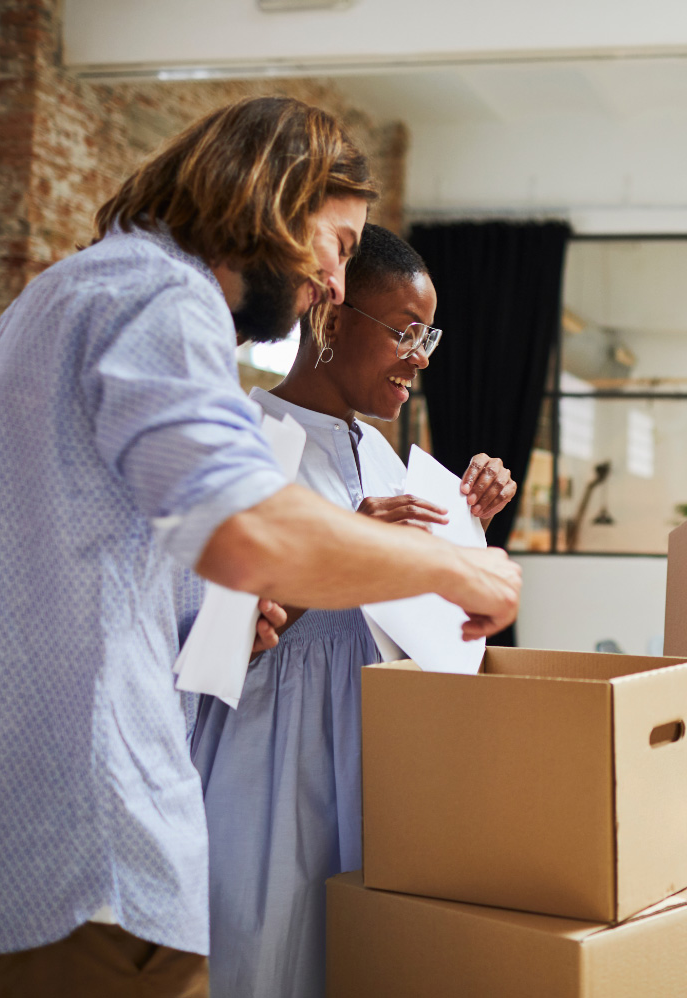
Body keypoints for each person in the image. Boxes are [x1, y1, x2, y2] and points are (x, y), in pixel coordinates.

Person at [0, 97, 520, 997]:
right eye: (336, 245)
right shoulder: (162, 298)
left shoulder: (65, 294)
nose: (333, 284)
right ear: (274, 203)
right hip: (85, 849)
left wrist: (213, 614)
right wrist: (458, 565)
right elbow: (249, 528)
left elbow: (83, 555)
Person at [189, 224, 515, 998]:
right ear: (332, 318)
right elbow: (213, 646)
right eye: (405, 332)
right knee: (266, 959)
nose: (422, 357)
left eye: (427, 334)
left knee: (362, 959)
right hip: (272, 760)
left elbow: (405, 614)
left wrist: (469, 526)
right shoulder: (251, 437)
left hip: (375, 758)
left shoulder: (384, 455)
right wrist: (342, 552)